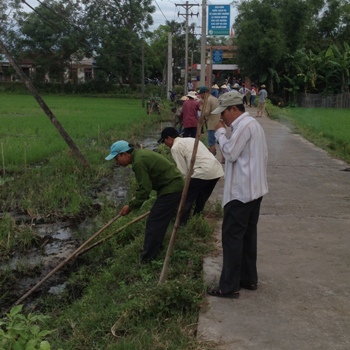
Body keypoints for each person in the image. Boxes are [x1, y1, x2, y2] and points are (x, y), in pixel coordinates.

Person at [207, 90, 268, 298]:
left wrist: (220, 133)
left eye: (223, 112)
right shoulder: (254, 126)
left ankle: (229, 286)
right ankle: (248, 278)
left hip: (241, 193)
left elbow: (230, 154)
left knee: (232, 238)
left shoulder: (244, 126)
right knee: (248, 236)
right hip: (254, 190)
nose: (222, 117)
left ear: (233, 109)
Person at [105, 140, 184, 262]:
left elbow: (145, 189)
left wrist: (131, 206)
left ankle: (148, 258)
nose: (117, 162)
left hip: (172, 188)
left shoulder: (138, 162)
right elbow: (144, 185)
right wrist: (135, 198)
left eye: (116, 158)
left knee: (154, 221)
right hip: (170, 187)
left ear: (124, 154)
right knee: (159, 220)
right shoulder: (139, 156)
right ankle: (156, 248)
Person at [158, 127, 224, 225]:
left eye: (164, 141)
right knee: (201, 197)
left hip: (202, 171)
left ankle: (182, 224)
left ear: (169, 138)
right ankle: (197, 220)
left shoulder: (175, 147)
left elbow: (183, 172)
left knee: (186, 198)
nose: (165, 144)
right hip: (216, 170)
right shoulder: (191, 139)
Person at [197, 86, 220, 155]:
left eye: (201, 94)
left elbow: (206, 112)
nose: (200, 96)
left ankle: (212, 156)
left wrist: (201, 108)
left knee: (211, 142)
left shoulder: (208, 100)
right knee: (221, 142)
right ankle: (223, 158)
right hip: (219, 123)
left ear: (204, 93)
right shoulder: (215, 99)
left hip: (211, 124)